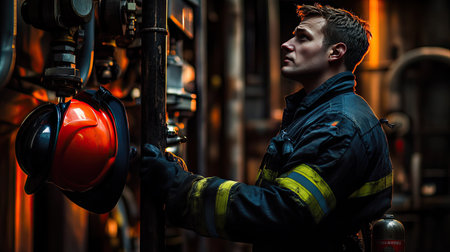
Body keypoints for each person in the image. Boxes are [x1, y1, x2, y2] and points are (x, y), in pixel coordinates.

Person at [142, 4, 392, 252]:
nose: (287, 44)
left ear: (335, 52)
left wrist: (181, 188)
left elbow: (282, 213)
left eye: (303, 37)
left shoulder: (340, 126)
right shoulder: (320, 114)